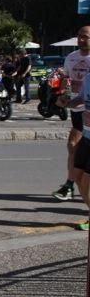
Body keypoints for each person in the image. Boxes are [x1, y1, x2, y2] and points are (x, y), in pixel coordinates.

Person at [52, 26, 90, 225]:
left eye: (86, 37)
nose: (81, 40)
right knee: (78, 171)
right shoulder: (73, 60)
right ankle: (69, 184)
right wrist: (65, 100)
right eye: (80, 36)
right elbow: (69, 85)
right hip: (82, 119)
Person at [56, 65, 90, 232]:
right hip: (87, 135)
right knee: (77, 178)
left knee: (87, 183)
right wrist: (67, 103)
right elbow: (82, 99)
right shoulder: (88, 78)